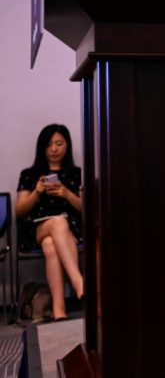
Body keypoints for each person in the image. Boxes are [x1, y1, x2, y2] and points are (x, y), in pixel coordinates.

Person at [15, 124, 84, 321]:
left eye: (59, 143)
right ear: (42, 148)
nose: (54, 149)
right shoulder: (29, 174)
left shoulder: (77, 173)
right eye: (49, 145)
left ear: (67, 145)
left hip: (71, 230)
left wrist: (66, 193)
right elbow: (20, 210)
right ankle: (78, 282)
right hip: (37, 228)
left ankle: (58, 309)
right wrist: (37, 192)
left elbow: (84, 208)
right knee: (57, 222)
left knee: (50, 245)